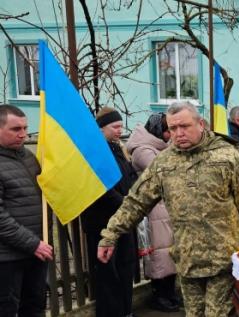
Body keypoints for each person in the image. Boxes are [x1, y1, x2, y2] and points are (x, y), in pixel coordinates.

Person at [97, 101, 239, 317]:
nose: (179, 133)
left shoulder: (227, 156)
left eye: (184, 126)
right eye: (173, 128)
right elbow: (136, 202)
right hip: (187, 260)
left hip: (223, 260)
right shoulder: (164, 162)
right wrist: (110, 235)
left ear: (200, 124)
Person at [81, 107, 138, 317]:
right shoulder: (94, 152)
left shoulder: (118, 149)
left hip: (123, 220)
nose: (119, 130)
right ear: (101, 128)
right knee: (107, 272)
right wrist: (125, 204)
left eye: (120, 126)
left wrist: (132, 201)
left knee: (126, 267)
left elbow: (131, 177)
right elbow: (102, 187)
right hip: (102, 221)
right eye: (114, 126)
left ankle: (126, 310)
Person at [0, 104, 53, 317]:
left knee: (34, 307)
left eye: (25, 128)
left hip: (35, 253)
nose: (23, 134)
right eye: (15, 129)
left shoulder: (28, 157)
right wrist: (33, 244)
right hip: (7, 259)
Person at [125, 113, 180, 312]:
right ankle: (160, 295)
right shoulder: (143, 150)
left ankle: (170, 293)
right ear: (158, 130)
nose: (170, 135)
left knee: (170, 252)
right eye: (168, 131)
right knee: (159, 254)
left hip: (167, 208)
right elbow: (164, 172)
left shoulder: (159, 147)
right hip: (155, 210)